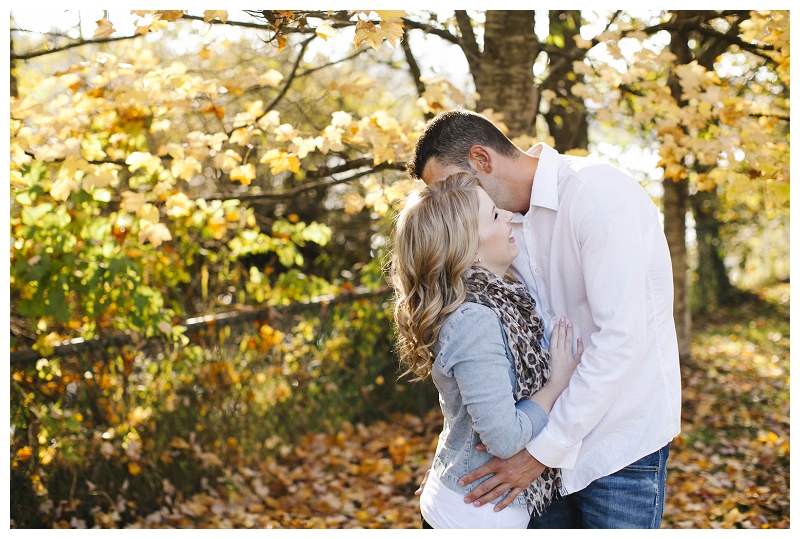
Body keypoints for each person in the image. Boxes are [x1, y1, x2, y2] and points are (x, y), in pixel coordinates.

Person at [406, 108, 682, 529]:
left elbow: (621, 340)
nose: (450, 203)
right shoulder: (494, 235)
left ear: (482, 160)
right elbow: (481, 363)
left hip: (613, 448)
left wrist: (539, 452)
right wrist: (455, 472)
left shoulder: (597, 194)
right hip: (534, 453)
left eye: (453, 185)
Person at [391, 173, 583, 529]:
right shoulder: (474, 320)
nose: (509, 216)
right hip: (471, 517)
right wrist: (556, 385)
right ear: (469, 247)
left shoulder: (505, 300)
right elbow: (504, 438)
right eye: (495, 216)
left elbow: (469, 409)